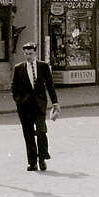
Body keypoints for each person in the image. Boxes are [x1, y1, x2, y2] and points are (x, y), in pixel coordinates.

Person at [11, 42, 60, 171]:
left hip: (39, 105)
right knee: (28, 134)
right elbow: (14, 88)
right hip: (24, 106)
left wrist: (55, 103)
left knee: (41, 131)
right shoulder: (18, 68)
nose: (28, 57)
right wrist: (19, 101)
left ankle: (42, 158)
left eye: (31, 54)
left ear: (35, 53)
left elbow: (50, 85)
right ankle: (32, 162)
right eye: (26, 54)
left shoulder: (43, 66)